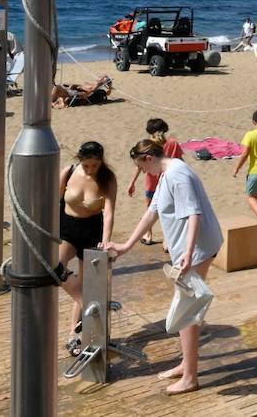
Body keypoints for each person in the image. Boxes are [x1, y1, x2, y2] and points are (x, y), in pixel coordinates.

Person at [103, 139, 224, 396]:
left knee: (187, 310)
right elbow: (152, 211)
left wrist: (189, 253)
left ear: (149, 159)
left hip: (198, 249)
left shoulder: (178, 174)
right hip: (191, 249)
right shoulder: (167, 171)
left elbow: (194, 214)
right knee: (185, 307)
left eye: (143, 168)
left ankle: (190, 377)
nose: (145, 173)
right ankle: (185, 364)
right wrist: (126, 245)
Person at [58, 142, 117, 354]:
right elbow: (53, 200)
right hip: (67, 228)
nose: (91, 169)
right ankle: (86, 303)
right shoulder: (69, 171)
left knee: (86, 283)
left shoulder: (107, 178)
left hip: (93, 230)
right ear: (79, 160)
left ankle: (74, 334)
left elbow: (109, 212)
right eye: (87, 165)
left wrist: (106, 241)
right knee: (55, 268)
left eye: (95, 165)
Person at [127, 118, 183, 245]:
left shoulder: (148, 145)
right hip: (166, 183)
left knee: (150, 209)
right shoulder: (173, 143)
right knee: (168, 210)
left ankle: (149, 234)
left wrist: (132, 182)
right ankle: (166, 240)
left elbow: (139, 165)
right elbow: (179, 161)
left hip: (153, 183)